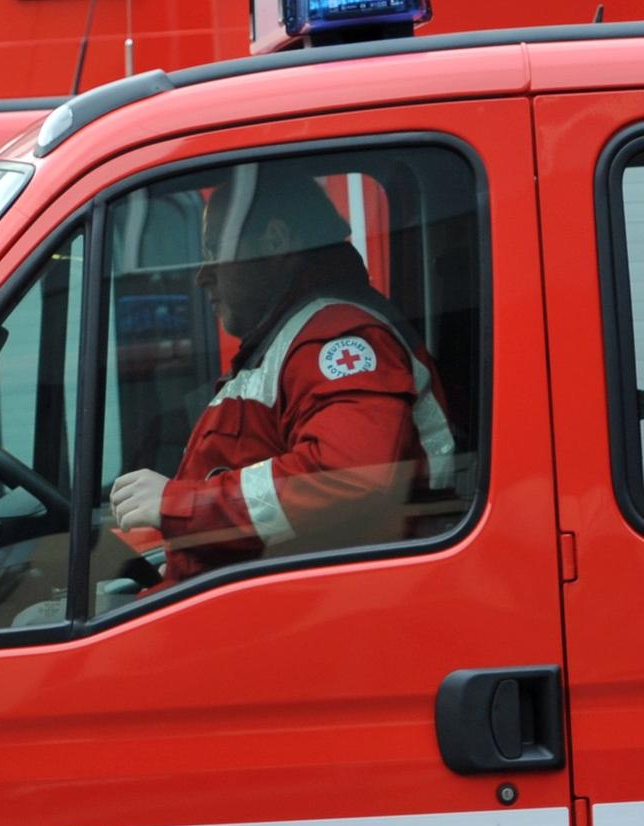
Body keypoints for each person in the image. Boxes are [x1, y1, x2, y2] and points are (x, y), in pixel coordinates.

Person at [107, 163, 455, 585]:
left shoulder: (338, 339)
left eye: (216, 252)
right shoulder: (289, 342)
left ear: (275, 241)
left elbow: (349, 480)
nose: (202, 276)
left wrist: (177, 503)